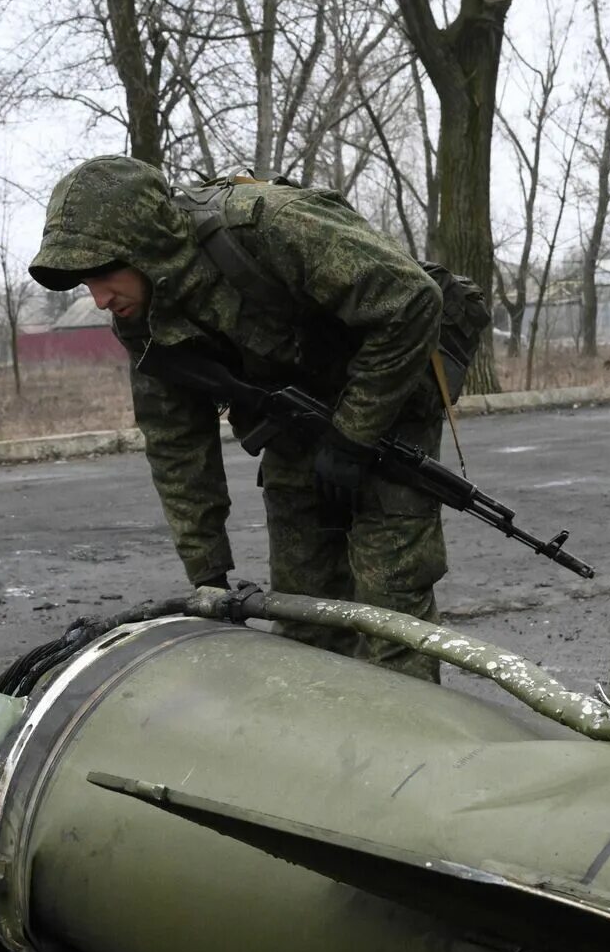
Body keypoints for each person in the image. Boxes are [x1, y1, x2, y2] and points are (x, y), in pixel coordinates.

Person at [28, 155, 449, 681]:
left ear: (147, 246)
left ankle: (414, 750)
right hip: (295, 429)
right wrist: (209, 573)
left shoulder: (270, 224)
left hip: (387, 412)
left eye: (107, 273)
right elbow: (176, 443)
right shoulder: (143, 317)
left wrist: (353, 434)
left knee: (392, 616)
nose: (100, 298)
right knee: (307, 618)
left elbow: (409, 300)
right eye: (86, 282)